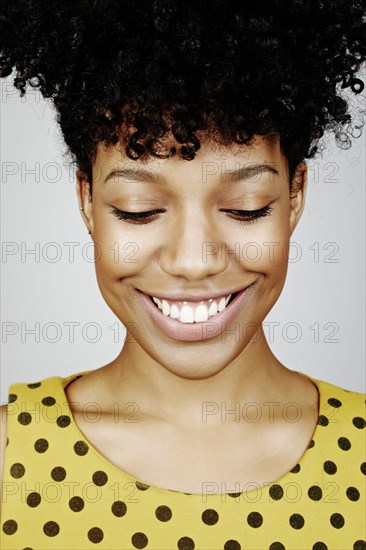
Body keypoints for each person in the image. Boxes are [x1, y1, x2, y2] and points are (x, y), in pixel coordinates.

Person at [0, 1, 365, 549]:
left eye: (246, 208)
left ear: (295, 198)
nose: (194, 262)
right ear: (87, 201)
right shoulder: (10, 455)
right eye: (138, 209)